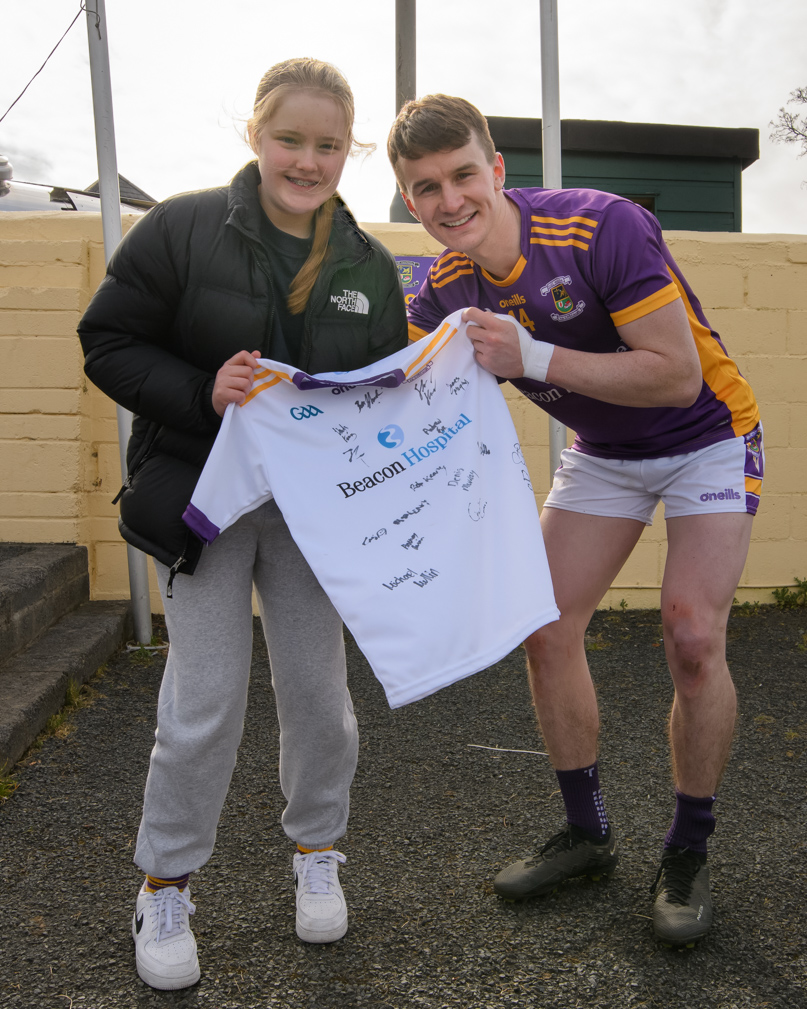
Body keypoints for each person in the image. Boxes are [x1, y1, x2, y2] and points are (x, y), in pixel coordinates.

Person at [387, 94, 762, 947]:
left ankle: (688, 851)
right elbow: (399, 393)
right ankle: (587, 833)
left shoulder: (602, 228)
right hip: (604, 450)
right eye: (425, 188)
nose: (449, 201)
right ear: (409, 202)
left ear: (498, 171)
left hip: (706, 432)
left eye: (461, 175)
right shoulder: (438, 282)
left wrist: (531, 358)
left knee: (692, 635)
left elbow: (672, 376)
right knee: (545, 627)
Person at [78, 58, 407, 990]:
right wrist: (199, 391)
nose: (307, 161)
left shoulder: (369, 265)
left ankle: (316, 851)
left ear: (350, 149)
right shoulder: (183, 226)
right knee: (205, 702)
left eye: (328, 145)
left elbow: (382, 396)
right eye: (289, 140)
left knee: (320, 701)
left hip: (310, 521)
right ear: (256, 136)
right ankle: (164, 881)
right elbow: (107, 340)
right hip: (205, 505)